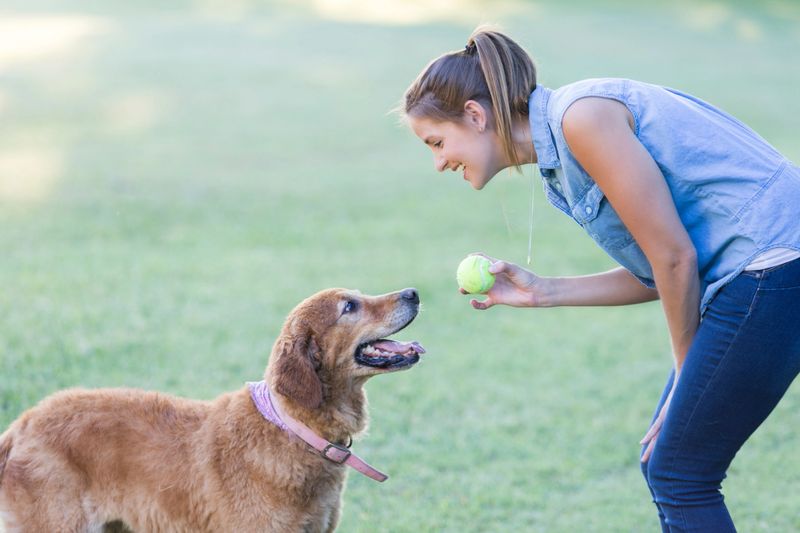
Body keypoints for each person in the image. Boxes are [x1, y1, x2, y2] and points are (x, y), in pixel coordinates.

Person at [401, 26, 800, 532]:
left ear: (476, 116)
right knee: (668, 466)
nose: (438, 162)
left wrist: (684, 378)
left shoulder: (582, 119)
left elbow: (675, 260)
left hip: (775, 264)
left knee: (679, 470)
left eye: (437, 142)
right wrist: (544, 291)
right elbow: (661, 270)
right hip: (761, 272)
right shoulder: (562, 155)